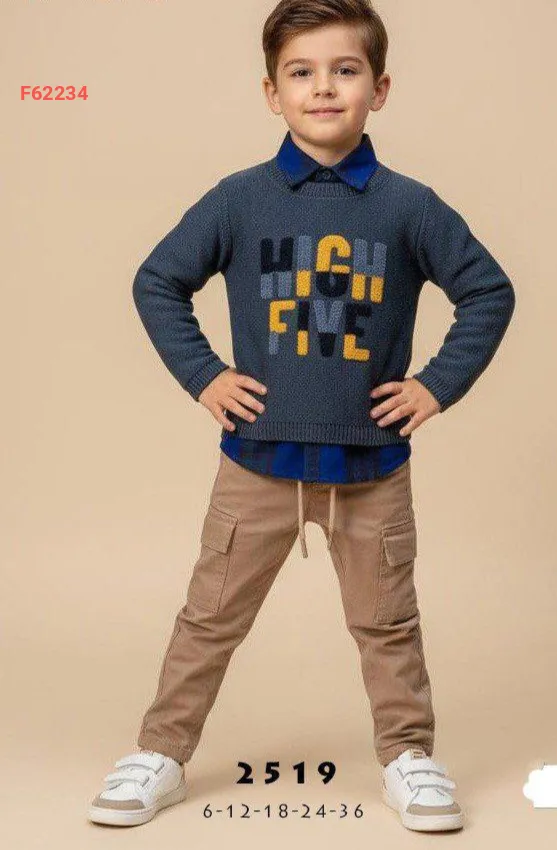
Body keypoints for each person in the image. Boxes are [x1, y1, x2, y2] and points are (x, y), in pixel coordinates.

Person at [88, 0, 515, 833]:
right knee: (209, 617)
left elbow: (488, 292)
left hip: (372, 468)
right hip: (256, 462)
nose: (324, 88)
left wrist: (436, 385)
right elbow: (158, 281)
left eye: (345, 71)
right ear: (272, 93)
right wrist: (205, 374)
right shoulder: (239, 200)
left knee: (387, 623)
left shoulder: (409, 206)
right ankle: (160, 752)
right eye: (302, 73)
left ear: (379, 89)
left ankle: (409, 756)